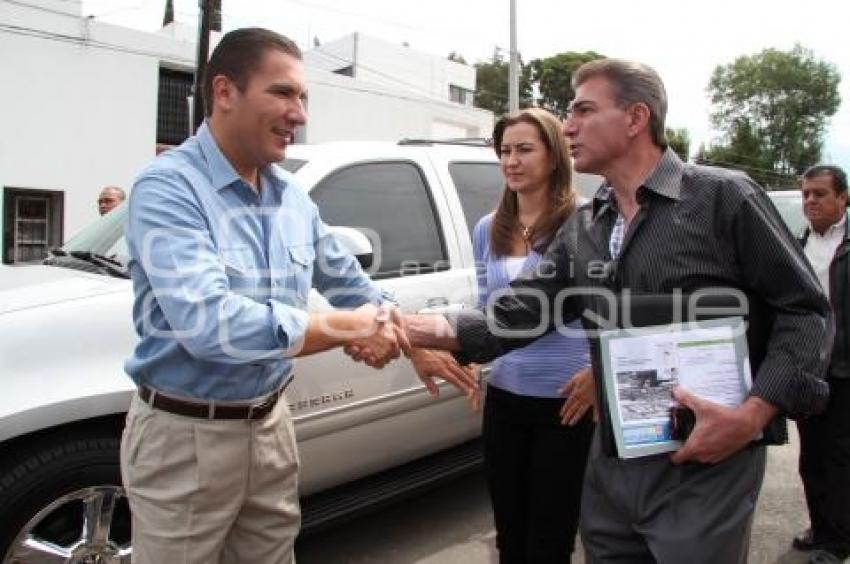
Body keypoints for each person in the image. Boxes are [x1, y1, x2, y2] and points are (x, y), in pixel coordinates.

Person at [385, 58, 831, 563]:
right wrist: (406, 326)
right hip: (614, 462)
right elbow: (514, 314)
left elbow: (805, 312)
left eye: (583, 110)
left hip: (706, 457)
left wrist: (752, 415)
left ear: (636, 118)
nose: (568, 126)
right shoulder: (587, 226)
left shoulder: (723, 198)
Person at [121, 28, 470, 564]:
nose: (299, 112)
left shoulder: (291, 198)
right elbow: (212, 325)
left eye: (303, 97)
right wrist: (351, 328)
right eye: (283, 93)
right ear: (225, 92)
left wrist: (408, 337)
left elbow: (352, 285)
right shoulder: (168, 188)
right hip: (185, 439)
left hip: (272, 429)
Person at [472, 107, 594, 563]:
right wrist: (471, 361)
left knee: (550, 539)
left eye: (524, 149)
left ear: (554, 154)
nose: (512, 160)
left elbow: (609, 309)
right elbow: (489, 308)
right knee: (510, 537)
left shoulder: (585, 222)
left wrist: (598, 371)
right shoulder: (489, 228)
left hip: (566, 402)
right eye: (504, 150)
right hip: (504, 398)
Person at [794, 164, 850, 564]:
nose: (811, 201)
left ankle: (838, 541)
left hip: (844, 369)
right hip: (808, 369)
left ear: (843, 198)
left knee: (840, 457)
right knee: (811, 456)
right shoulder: (797, 244)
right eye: (806, 194)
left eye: (820, 194)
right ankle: (821, 528)